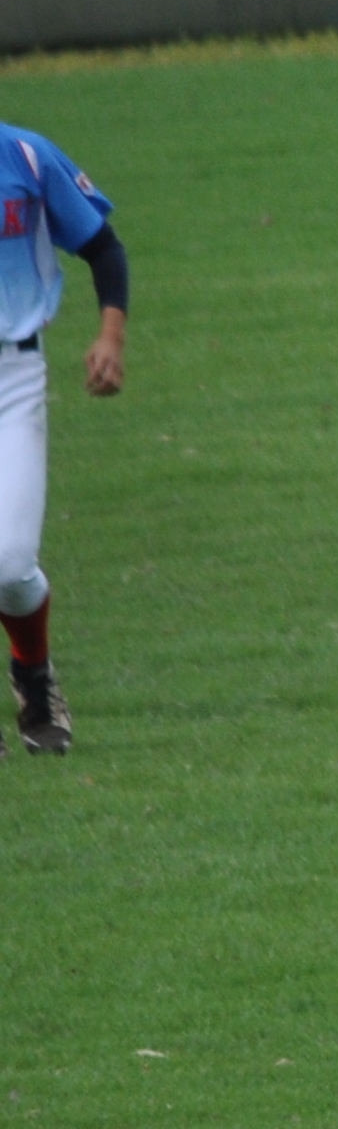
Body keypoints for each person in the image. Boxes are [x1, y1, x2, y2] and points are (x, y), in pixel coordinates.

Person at [1, 120, 131, 755]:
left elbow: (103, 248)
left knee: (9, 562)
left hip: (12, 376)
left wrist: (111, 337)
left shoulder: (24, 156)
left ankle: (34, 674)